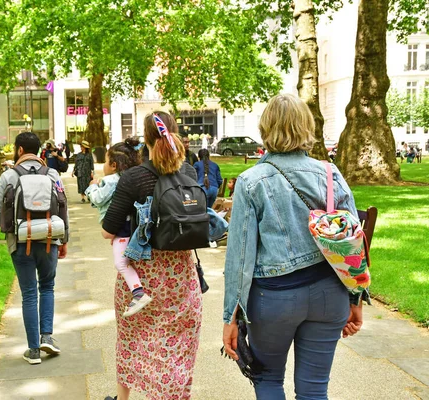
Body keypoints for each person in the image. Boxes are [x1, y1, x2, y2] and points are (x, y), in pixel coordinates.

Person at [222, 94, 364, 399]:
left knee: (269, 380)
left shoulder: (251, 182)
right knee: (314, 390)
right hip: (329, 295)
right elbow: (353, 245)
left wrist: (230, 319)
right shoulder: (331, 174)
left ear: (265, 128)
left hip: (273, 300)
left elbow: (240, 259)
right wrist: (356, 300)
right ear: (307, 127)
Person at [102, 111, 202, 400]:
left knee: (133, 339)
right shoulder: (189, 173)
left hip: (143, 275)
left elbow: (109, 230)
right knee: (178, 343)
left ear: (145, 139)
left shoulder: (134, 177)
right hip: (181, 275)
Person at [0, 132, 69, 365]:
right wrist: (64, 239)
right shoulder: (52, 174)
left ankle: (34, 351)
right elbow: (63, 206)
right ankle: (46, 336)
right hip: (49, 237)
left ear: (19, 150)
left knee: (29, 292)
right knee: (47, 287)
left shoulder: (8, 176)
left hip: (19, 241)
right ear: (38, 151)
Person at [85, 138, 152, 317]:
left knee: (120, 263)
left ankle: (138, 293)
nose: (104, 166)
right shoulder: (134, 176)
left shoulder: (112, 180)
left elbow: (98, 199)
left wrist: (91, 188)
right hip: (130, 226)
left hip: (120, 227)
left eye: (106, 162)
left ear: (113, 165)